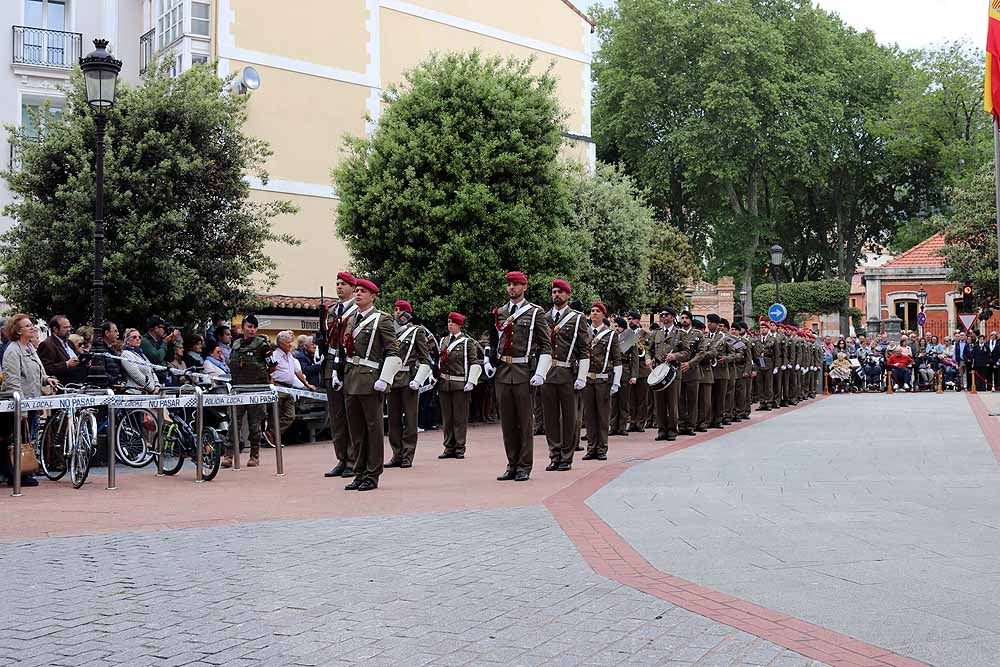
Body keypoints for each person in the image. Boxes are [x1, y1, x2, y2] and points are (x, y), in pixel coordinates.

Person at [490, 271, 552, 482]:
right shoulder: (500, 312)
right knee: (507, 421)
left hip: (523, 370)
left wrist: (541, 372)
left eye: (516, 284)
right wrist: (490, 361)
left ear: (525, 287)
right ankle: (512, 463)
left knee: (524, 421)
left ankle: (524, 465)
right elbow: (493, 340)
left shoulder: (535, 312)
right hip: (503, 372)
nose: (512, 288)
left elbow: (546, 345)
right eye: (509, 284)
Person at [342, 279, 401, 491]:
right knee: (356, 430)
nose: (358, 294)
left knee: (373, 429)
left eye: (363, 291)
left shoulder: (382, 320)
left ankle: (372, 474)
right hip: (351, 378)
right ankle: (359, 472)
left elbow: (393, 352)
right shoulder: (350, 320)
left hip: (370, 379)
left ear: (373, 296)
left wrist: (384, 379)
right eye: (356, 291)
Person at [1, 314, 58, 487]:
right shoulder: (13, 351)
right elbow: (13, 382)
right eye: (27, 325)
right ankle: (16, 472)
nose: (32, 327)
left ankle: (23, 471)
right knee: (17, 439)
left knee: (28, 439)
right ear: (18, 331)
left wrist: (46, 379)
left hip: (33, 400)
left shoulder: (30, 349)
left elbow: (37, 372)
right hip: (19, 404)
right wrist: (22, 411)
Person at [541, 279, 590, 472]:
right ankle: (554, 455)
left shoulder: (577, 318)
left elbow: (584, 350)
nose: (556, 295)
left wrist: (582, 376)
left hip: (568, 372)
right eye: (554, 292)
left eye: (561, 292)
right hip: (547, 373)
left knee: (569, 417)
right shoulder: (545, 318)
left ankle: (567, 457)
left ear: (568, 295)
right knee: (550, 418)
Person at [385, 300, 432, 469]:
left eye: (400, 310)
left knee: (410, 419)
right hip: (391, 378)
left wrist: (418, 380)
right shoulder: (390, 332)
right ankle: (396, 454)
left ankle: (407, 455)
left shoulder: (416, 332)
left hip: (408, 378)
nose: (396, 313)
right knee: (393, 420)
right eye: (395, 310)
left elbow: (426, 359)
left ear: (407, 314)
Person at [322, 271, 359, 479]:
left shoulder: (356, 311)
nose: (339, 287)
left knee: (350, 414)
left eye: (343, 284)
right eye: (337, 283)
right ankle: (342, 457)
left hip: (347, 365)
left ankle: (353, 459)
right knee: (336, 416)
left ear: (353, 289)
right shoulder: (332, 311)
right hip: (330, 364)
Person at [225, 315, 272, 468]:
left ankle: (254, 455)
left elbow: (272, 365)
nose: (251, 330)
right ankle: (228, 454)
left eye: (254, 327)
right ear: (243, 327)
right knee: (234, 422)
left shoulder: (262, 345)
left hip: (256, 390)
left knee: (255, 424)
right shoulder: (236, 344)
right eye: (249, 327)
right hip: (238, 389)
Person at [436, 312, 483, 460]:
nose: (450, 325)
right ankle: (448, 447)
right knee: (447, 417)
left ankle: (460, 447)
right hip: (444, 383)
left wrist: (471, 381)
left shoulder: (467, 342)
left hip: (459, 383)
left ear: (459, 325)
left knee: (459, 418)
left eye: (453, 322)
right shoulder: (443, 340)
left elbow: (474, 362)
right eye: (449, 322)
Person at [581, 302, 622, 461]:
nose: (594, 313)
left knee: (603, 416)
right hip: (588, 379)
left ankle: (602, 449)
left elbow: (617, 359)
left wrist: (616, 382)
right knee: (589, 416)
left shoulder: (611, 335)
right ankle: (591, 448)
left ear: (603, 315)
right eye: (592, 311)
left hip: (603, 380)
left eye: (598, 311)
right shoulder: (585, 333)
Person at [646, 307, 687, 442]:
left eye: (666, 315)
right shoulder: (656, 333)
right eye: (662, 315)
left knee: (672, 402)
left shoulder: (680, 333)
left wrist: (675, 355)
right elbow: (649, 349)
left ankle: (672, 430)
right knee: (660, 403)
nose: (663, 317)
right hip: (659, 371)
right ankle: (662, 430)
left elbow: (687, 352)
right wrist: (648, 358)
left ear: (673, 317)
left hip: (673, 372)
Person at [270, 330, 318, 438]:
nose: (291, 344)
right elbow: (269, 371)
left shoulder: (290, 356)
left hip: (289, 389)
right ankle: (273, 437)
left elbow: (298, 372)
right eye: (288, 342)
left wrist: (307, 385)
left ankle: (272, 434)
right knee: (275, 415)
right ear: (281, 343)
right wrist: (272, 385)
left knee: (290, 416)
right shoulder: (275, 355)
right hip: (278, 388)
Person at [38, 315, 88, 385]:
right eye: (65, 327)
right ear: (55, 329)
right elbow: (46, 368)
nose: (69, 330)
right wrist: (66, 364)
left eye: (69, 327)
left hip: (76, 383)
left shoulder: (69, 343)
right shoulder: (47, 344)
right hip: (61, 386)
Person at [677, 310, 704, 433]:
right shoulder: (676, 334)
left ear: (690, 320)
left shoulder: (698, 334)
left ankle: (691, 426)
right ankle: (682, 425)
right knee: (680, 400)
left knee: (693, 400)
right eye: (682, 318)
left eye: (686, 318)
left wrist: (690, 363)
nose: (684, 320)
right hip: (678, 370)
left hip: (692, 371)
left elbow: (701, 353)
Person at [609, 317, 635, 436]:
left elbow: (634, 359)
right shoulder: (612, 337)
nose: (616, 328)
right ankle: (613, 426)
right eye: (614, 326)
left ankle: (623, 426)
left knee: (624, 401)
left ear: (622, 327)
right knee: (614, 400)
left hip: (624, 370)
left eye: (617, 326)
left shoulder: (629, 338)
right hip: (613, 370)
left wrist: (634, 375)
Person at [626, 311, 650, 432]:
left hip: (642, 368)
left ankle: (640, 423)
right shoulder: (626, 334)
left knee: (642, 398)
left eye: (633, 319)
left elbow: (649, 349)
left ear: (638, 320)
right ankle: (632, 422)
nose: (630, 321)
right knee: (631, 398)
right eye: (629, 319)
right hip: (630, 369)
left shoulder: (645, 334)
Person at [120, 329, 162, 393]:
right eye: (134, 337)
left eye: (139, 337)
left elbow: (152, 371)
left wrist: (157, 386)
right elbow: (136, 375)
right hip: (134, 394)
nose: (138, 339)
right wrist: (152, 388)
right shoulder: (126, 354)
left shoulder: (141, 354)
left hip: (147, 393)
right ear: (127, 340)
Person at [141, 317, 180, 384]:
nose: (165, 330)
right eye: (163, 328)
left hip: (163, 377)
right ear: (156, 328)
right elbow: (157, 358)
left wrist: (171, 342)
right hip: (154, 379)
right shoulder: (145, 341)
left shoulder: (159, 341)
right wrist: (164, 343)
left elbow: (170, 358)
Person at [100, 321, 123, 387]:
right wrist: (115, 381)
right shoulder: (99, 349)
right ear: (107, 333)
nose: (118, 334)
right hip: (107, 387)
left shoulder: (112, 350)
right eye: (115, 331)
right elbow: (101, 371)